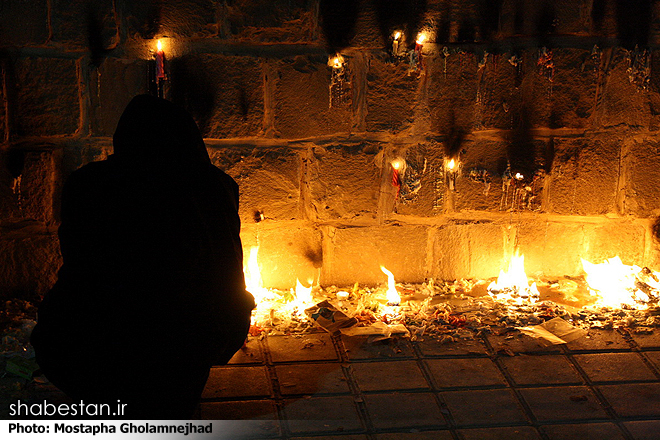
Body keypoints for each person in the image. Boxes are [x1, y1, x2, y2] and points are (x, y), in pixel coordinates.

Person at [30, 95, 255, 419]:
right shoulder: (213, 189)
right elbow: (228, 274)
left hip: (94, 356)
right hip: (180, 358)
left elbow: (75, 263)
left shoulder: (87, 186)